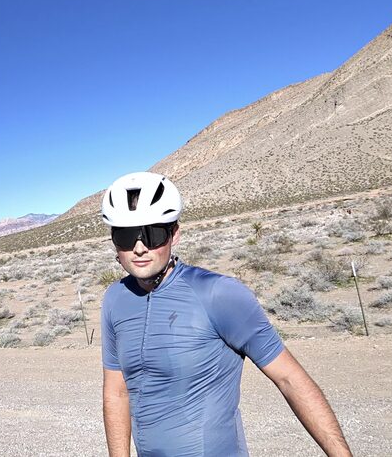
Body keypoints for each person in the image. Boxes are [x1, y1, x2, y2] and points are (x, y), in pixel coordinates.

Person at [100, 172, 352, 457]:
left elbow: (290, 380)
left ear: (175, 234)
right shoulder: (115, 299)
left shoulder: (218, 294)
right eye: (125, 235)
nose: (139, 247)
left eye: (152, 234)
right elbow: (117, 392)